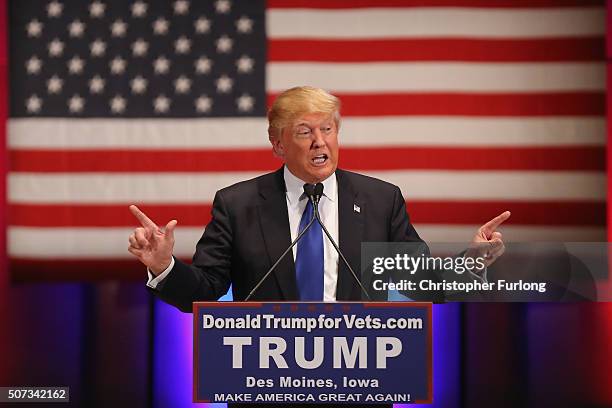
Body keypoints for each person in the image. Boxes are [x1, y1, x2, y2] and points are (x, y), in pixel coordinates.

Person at [128, 86, 509, 311]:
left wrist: (472, 262)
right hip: (264, 381)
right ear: (277, 144)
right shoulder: (237, 204)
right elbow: (207, 291)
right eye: (304, 131)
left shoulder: (380, 200)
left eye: (328, 129)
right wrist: (165, 267)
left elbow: (420, 281)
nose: (320, 141)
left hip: (359, 379)